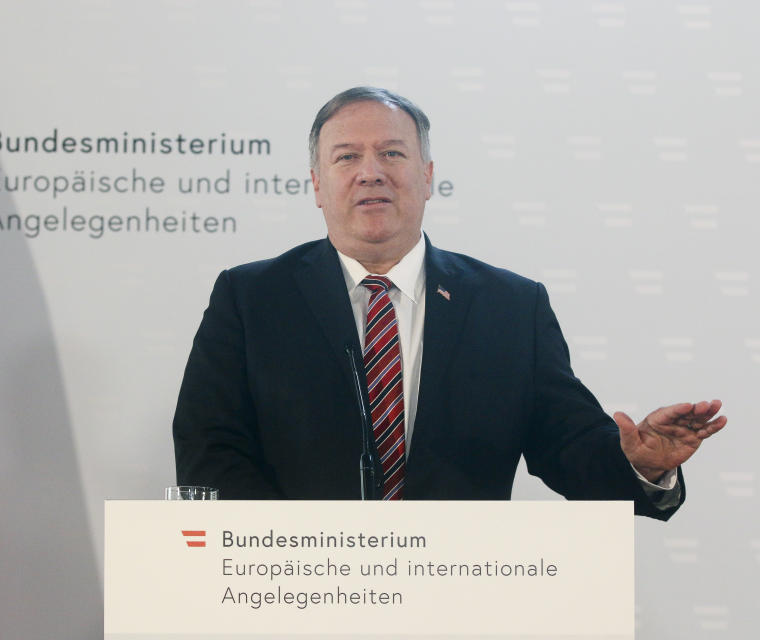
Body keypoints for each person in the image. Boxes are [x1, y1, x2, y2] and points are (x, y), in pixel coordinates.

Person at [172, 86, 725, 517]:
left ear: (428, 176)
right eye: (346, 157)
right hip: (292, 594)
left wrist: (639, 465)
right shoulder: (250, 298)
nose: (371, 172)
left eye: (392, 152)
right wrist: (306, 556)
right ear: (317, 183)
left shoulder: (510, 306)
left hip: (457, 594)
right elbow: (209, 448)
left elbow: (566, 443)